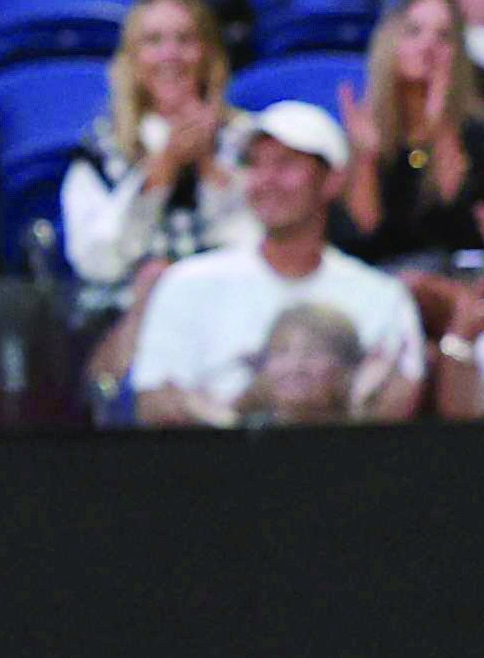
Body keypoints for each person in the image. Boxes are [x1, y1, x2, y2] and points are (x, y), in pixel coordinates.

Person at [126, 101, 432, 425]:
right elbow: (155, 403)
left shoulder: (382, 295)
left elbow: (397, 410)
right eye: (255, 164)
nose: (266, 180)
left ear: (331, 181)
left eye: (285, 164)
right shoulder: (188, 282)